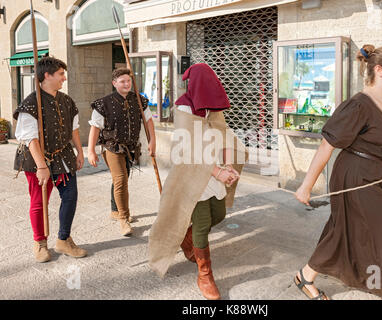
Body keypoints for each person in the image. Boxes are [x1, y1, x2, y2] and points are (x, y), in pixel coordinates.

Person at [293, 45, 382, 300]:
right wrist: (306, 185)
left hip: (376, 175)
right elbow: (326, 146)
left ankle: (305, 276)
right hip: (355, 176)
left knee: (342, 229)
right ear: (379, 70)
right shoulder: (358, 105)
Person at [147, 63, 247, 300]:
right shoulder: (184, 106)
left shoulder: (212, 108)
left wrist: (228, 164)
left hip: (214, 172)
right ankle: (205, 275)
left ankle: (186, 234)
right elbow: (188, 150)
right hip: (192, 174)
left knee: (219, 215)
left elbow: (223, 135)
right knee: (202, 223)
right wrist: (216, 171)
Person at [13, 57, 87, 263]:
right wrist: (42, 166)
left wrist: (80, 152)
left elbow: (73, 128)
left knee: (70, 195)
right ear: (47, 76)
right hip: (36, 158)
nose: (64, 78)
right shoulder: (30, 103)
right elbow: (30, 138)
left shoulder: (67, 101)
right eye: (61, 74)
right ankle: (40, 242)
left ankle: (63, 239)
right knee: (39, 202)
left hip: (63, 156)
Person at [87, 68, 156, 236]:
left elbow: (148, 121)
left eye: (129, 81)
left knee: (120, 178)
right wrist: (90, 151)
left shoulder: (139, 100)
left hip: (131, 147)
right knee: (121, 179)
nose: (127, 84)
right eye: (123, 81)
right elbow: (95, 128)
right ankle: (124, 219)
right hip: (112, 147)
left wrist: (153, 141)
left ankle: (115, 210)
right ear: (114, 83)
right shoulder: (103, 103)